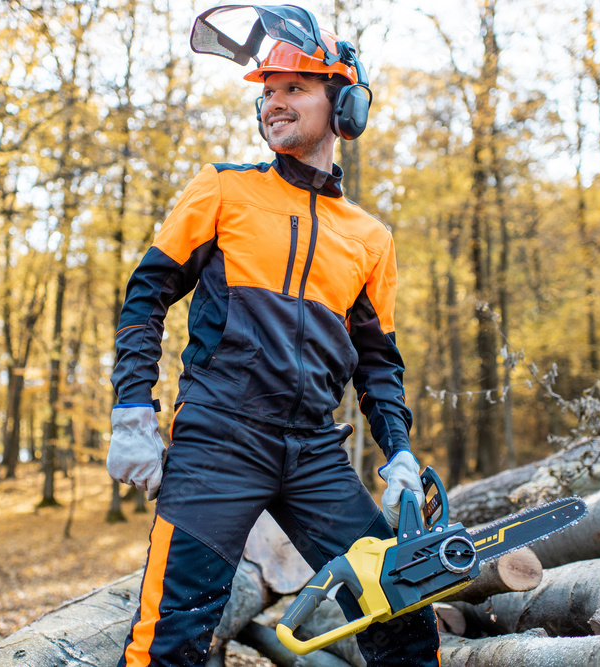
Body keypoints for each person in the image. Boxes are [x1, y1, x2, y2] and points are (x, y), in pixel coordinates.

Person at [107, 18, 440, 667]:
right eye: (266, 91)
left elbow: (378, 361)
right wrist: (132, 409)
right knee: (168, 641)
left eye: (293, 87)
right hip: (217, 444)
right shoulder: (224, 189)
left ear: (344, 104)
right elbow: (145, 293)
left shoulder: (369, 237)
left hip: (314, 451)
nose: (274, 103)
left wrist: (398, 451)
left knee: (403, 611)